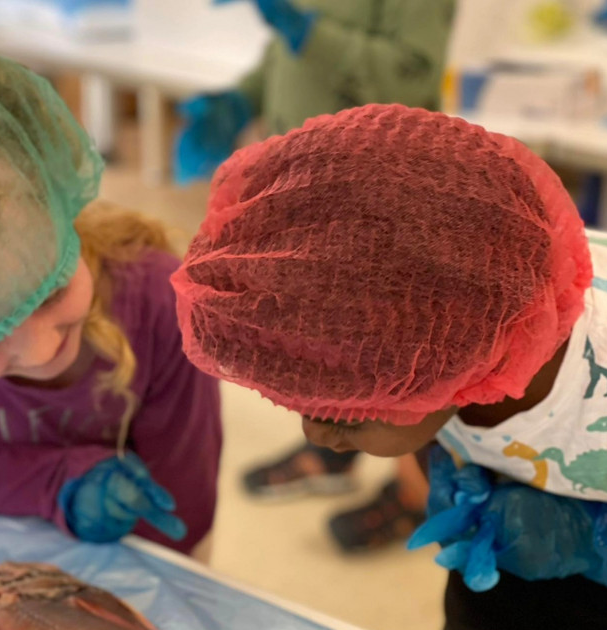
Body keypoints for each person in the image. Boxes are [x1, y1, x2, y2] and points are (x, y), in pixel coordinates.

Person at [171, 104, 607, 630]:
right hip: (507, 573)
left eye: (347, 416)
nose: (316, 436)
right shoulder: (462, 335)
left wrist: (591, 540)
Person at [0, 45, 221, 561]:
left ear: (60, 210)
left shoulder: (157, 307)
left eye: (50, 292)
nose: (40, 352)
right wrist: (58, 482)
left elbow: (183, 515)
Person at [175, 0, 455, 550]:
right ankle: (335, 450)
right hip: (309, 181)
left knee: (392, 343)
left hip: (380, 180)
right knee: (326, 334)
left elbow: (414, 73)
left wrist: (310, 33)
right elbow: (288, 55)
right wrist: (244, 97)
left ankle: (419, 492)